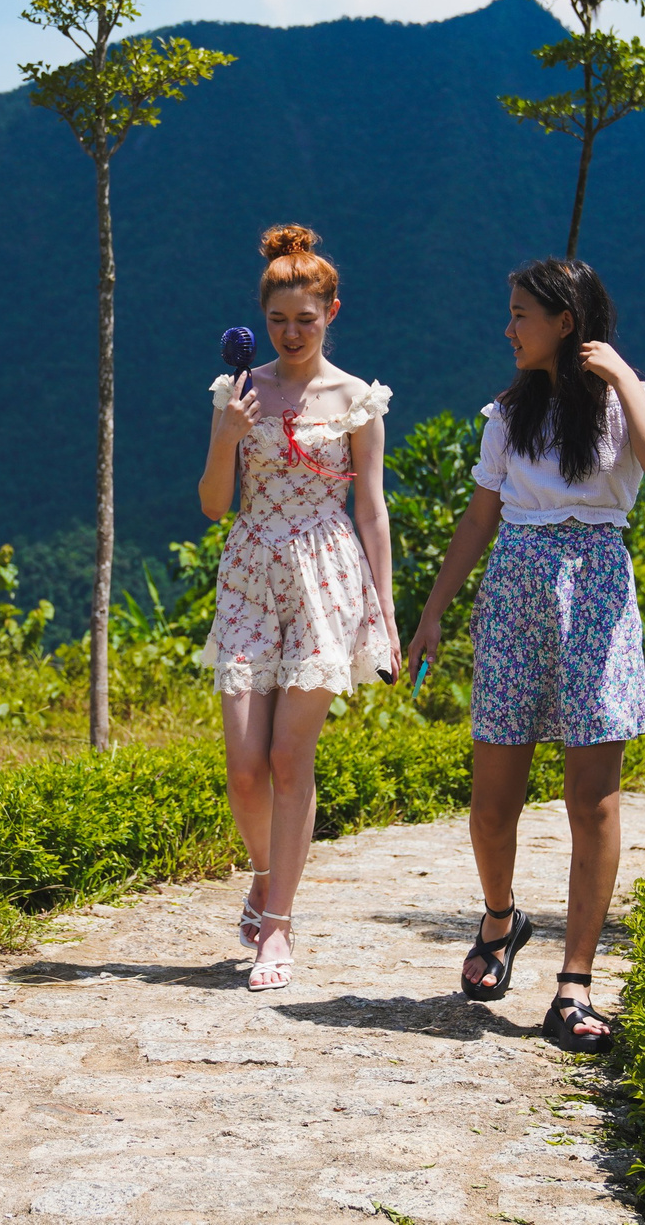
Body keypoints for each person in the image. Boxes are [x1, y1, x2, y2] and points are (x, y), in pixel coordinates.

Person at [399, 257, 645, 1049]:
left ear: (566, 321)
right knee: (492, 803)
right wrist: (432, 615)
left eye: (522, 313)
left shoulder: (635, 406)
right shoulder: (507, 413)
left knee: (592, 798)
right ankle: (501, 917)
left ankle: (575, 984)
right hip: (515, 592)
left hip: (596, 590)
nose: (509, 326)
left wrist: (621, 373)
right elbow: (477, 517)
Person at [200, 224, 397, 992]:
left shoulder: (357, 400)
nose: (290, 333)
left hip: (326, 575)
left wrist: (384, 611)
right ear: (261, 318)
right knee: (244, 769)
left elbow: (373, 510)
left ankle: (277, 926)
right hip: (250, 570)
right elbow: (215, 504)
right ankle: (265, 875)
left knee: (289, 757)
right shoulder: (239, 393)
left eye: (305, 319)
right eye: (278, 320)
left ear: (332, 311)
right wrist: (228, 435)